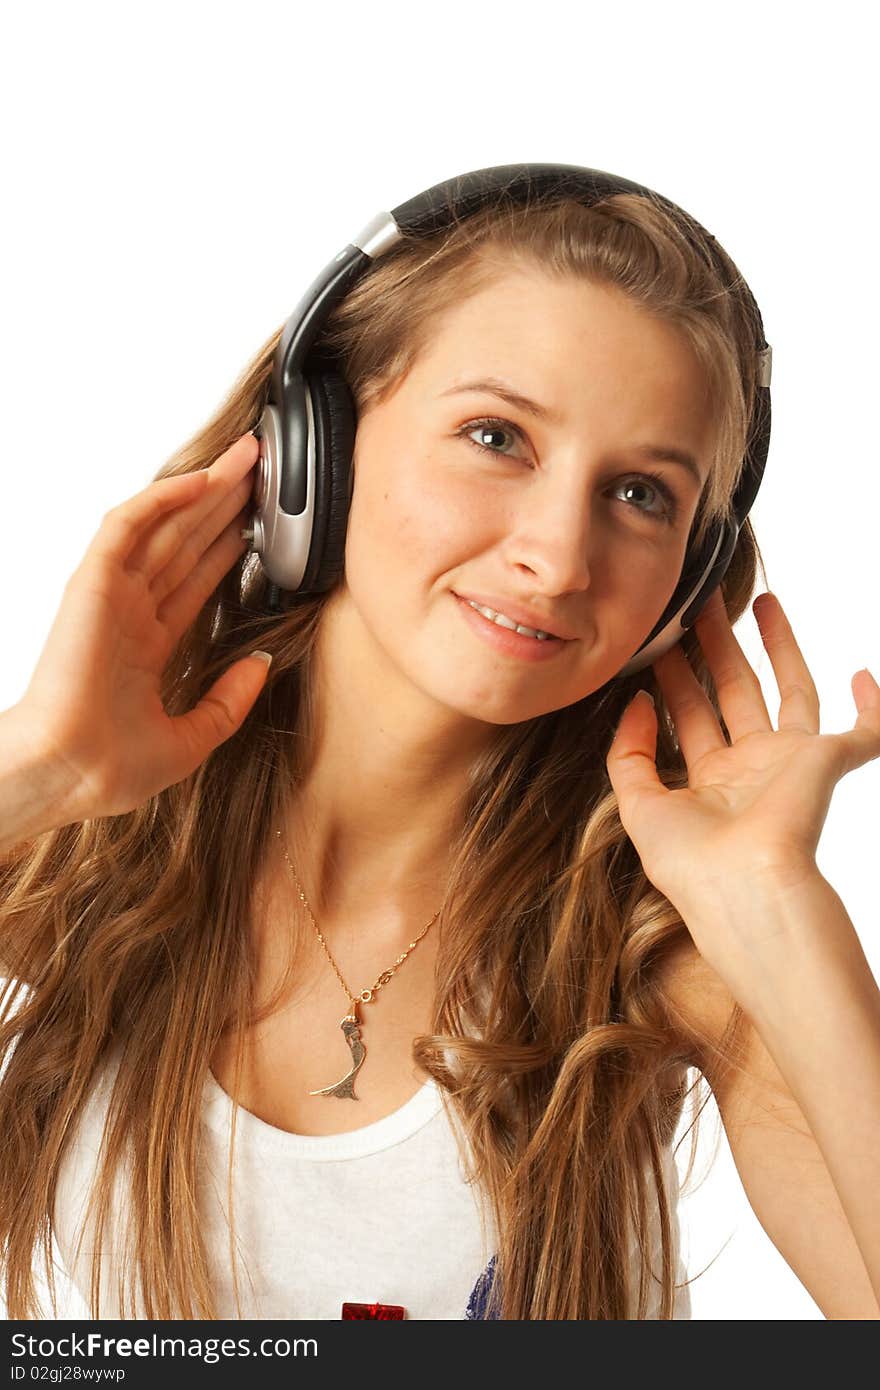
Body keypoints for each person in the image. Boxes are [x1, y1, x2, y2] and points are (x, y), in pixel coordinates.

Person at [1, 188, 879, 1321]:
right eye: (495, 437)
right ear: (316, 445)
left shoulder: (667, 951)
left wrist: (776, 908)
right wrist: (37, 772)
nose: (558, 556)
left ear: (689, 577)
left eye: (637, 493)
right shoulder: (65, 861)